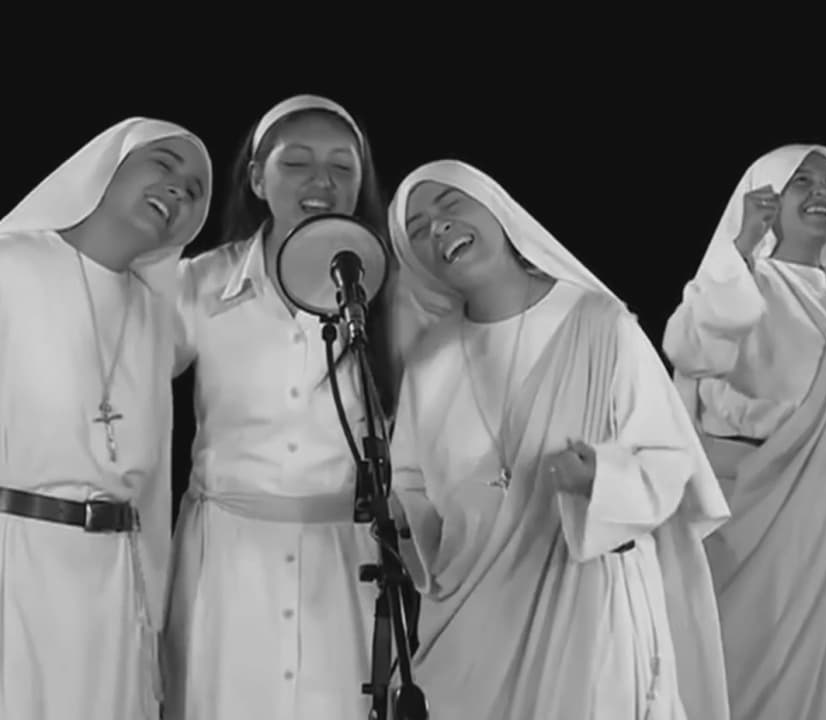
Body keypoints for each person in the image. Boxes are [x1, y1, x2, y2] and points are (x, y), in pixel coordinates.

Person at [386, 159, 732, 719]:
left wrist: (603, 480)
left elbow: (670, 459)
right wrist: (404, 516)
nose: (439, 228)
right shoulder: (428, 361)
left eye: (450, 206)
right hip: (472, 630)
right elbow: (409, 482)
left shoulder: (598, 324)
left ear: (496, 208)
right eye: (418, 230)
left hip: (586, 616)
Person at [661, 144, 826, 719]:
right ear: (764, 199)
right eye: (800, 181)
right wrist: (739, 249)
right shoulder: (737, 285)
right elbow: (690, 351)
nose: (821, 192)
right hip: (754, 524)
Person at [164, 94, 398, 720]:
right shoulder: (201, 284)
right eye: (296, 163)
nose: (321, 181)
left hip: (344, 564)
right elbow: (126, 374)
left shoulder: (393, 293)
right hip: (226, 563)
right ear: (256, 178)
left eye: (342, 167)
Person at [0, 118, 211, 719]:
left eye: (195, 190)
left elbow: (153, 488)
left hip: (117, 584)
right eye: (163, 164)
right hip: (17, 563)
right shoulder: (11, 264)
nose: (178, 189)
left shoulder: (153, 316)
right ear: (106, 166)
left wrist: (153, 622)